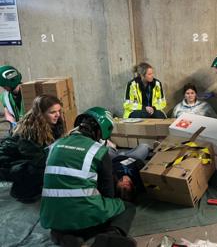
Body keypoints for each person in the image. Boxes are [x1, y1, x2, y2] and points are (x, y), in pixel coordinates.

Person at [40, 107, 136, 247]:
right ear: (99, 131)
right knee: (126, 207)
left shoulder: (54, 146)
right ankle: (110, 236)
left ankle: (64, 237)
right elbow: (108, 193)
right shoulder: (98, 151)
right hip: (84, 214)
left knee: (63, 222)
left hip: (53, 217)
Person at [0, 95, 64, 202]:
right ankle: (22, 191)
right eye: (52, 112)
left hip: (20, 159)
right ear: (41, 114)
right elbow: (39, 160)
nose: (57, 114)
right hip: (5, 163)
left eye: (59, 111)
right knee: (40, 167)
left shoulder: (52, 124)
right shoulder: (29, 132)